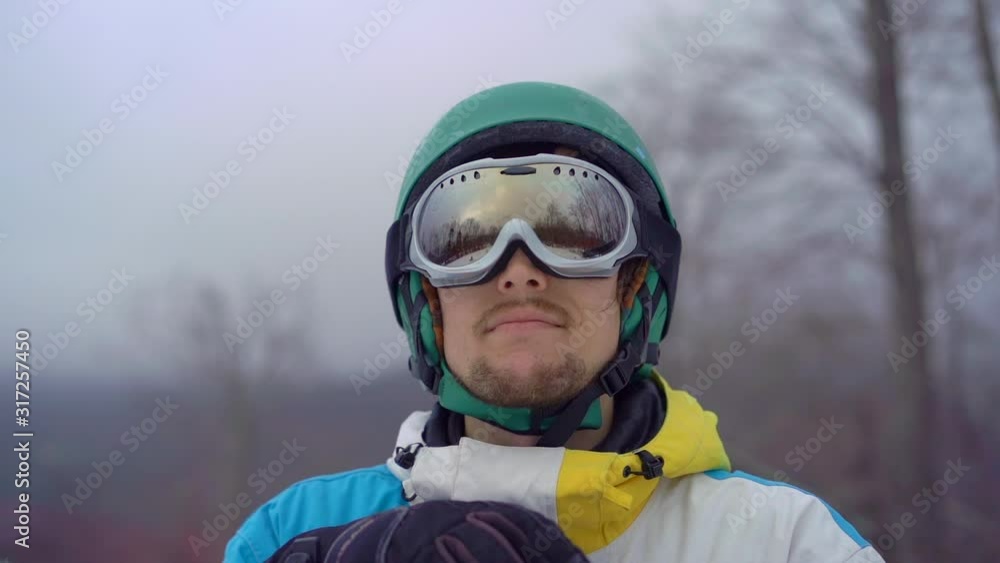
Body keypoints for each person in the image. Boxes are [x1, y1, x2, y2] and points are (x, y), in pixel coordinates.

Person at [223, 81, 884, 563]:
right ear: (424, 300)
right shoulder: (292, 535)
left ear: (637, 285)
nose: (518, 270)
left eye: (574, 232)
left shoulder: (784, 542)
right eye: (464, 239)